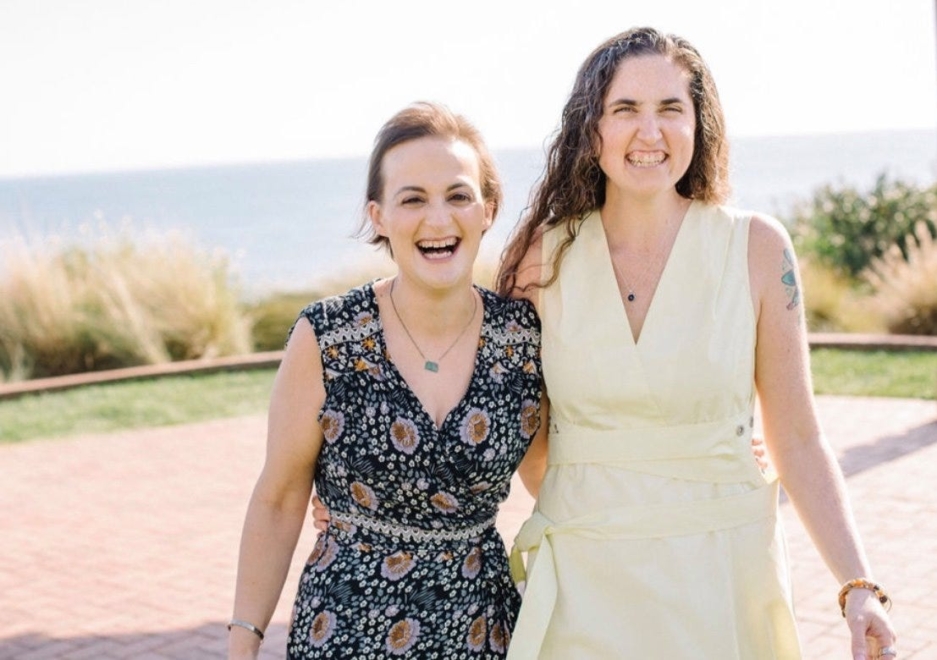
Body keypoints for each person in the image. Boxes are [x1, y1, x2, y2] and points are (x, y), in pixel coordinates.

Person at [491, 26, 897, 659]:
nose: (648, 133)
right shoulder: (541, 261)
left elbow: (798, 438)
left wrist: (857, 586)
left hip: (724, 577)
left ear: (699, 125)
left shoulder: (758, 249)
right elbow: (520, 440)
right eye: (624, 109)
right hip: (583, 578)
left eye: (670, 109)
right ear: (590, 128)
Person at [227, 101, 547, 659]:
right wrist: (243, 644)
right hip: (346, 631)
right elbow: (278, 500)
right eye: (412, 199)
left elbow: (555, 477)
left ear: (488, 210)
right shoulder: (326, 338)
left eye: (458, 195)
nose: (438, 219)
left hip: (481, 633)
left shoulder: (524, 340)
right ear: (378, 216)